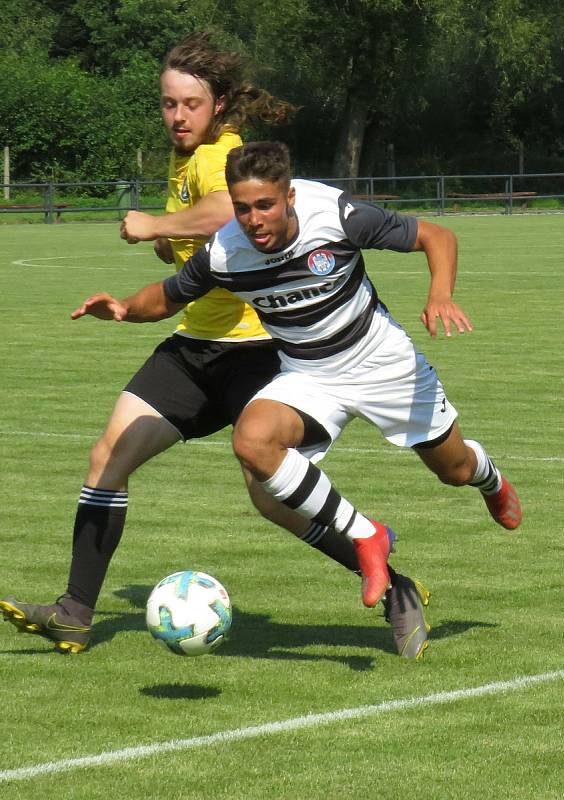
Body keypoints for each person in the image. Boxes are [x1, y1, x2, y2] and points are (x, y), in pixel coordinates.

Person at [0, 36, 431, 659]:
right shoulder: (186, 160)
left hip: (257, 352)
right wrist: (156, 256)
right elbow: (196, 245)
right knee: (107, 459)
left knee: (270, 495)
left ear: (219, 105)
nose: (177, 116)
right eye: (168, 104)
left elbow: (218, 214)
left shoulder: (221, 155)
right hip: (194, 346)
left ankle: (395, 587)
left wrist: (155, 224)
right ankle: (74, 612)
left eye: (191, 104)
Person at [64, 140, 521, 612]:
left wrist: (439, 295)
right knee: (252, 442)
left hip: (384, 363)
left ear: (290, 197)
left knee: (454, 470)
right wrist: (123, 309)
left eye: (265, 205)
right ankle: (368, 536)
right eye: (242, 209)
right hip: (309, 373)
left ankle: (490, 479)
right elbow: (167, 296)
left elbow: (436, 236)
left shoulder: (335, 216)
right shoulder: (226, 252)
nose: (253, 220)